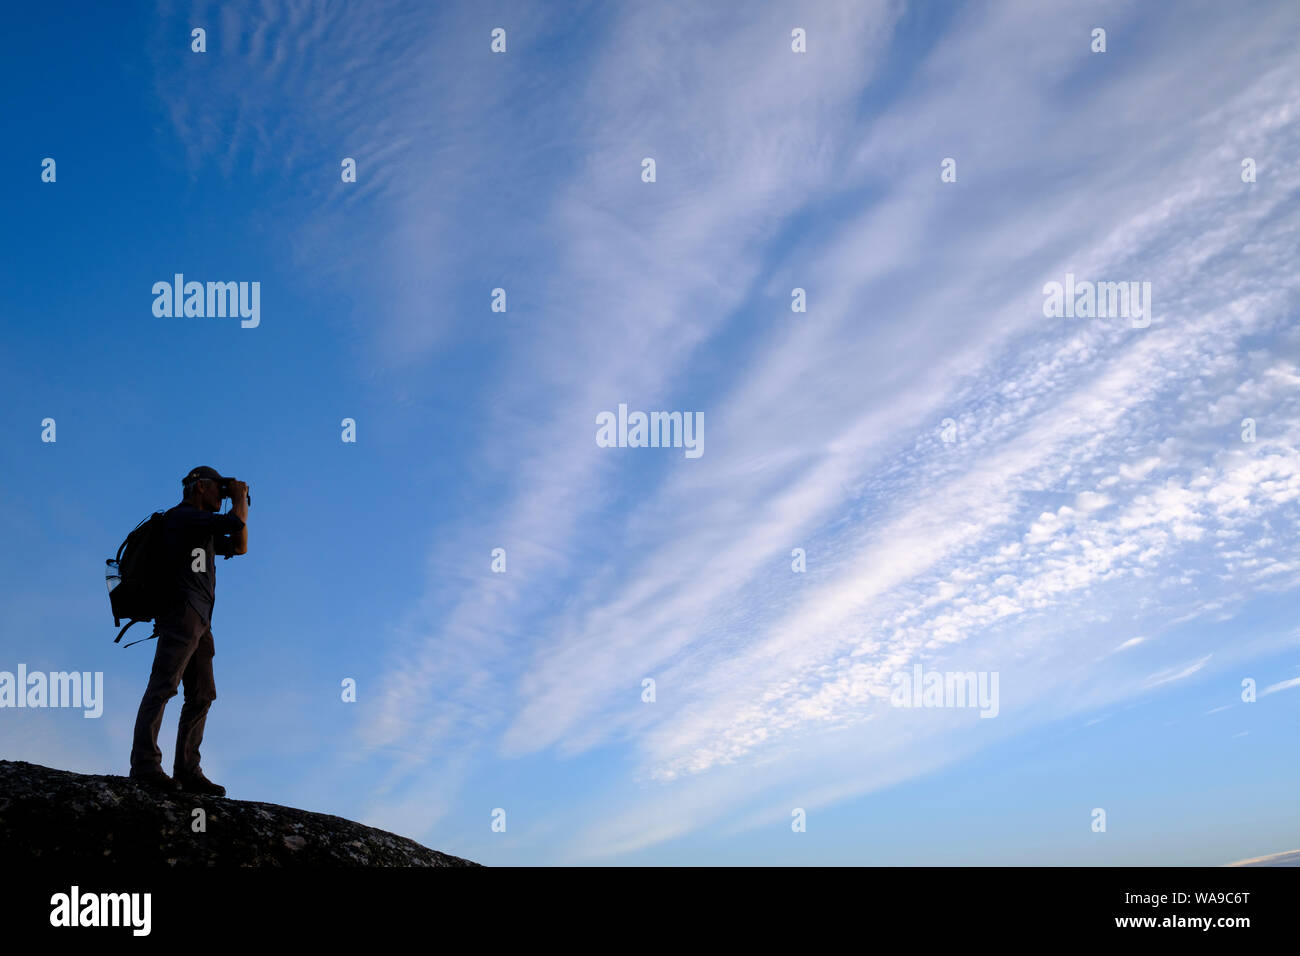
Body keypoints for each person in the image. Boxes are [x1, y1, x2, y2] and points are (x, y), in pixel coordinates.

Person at [128, 466, 248, 796]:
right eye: (217, 489)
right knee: (164, 685)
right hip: (182, 612)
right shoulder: (182, 517)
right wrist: (237, 498)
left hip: (200, 618)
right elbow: (235, 522)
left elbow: (240, 546)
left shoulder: (202, 528)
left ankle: (188, 770)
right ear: (199, 488)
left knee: (202, 695)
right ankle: (145, 765)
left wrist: (240, 500)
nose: (220, 496)